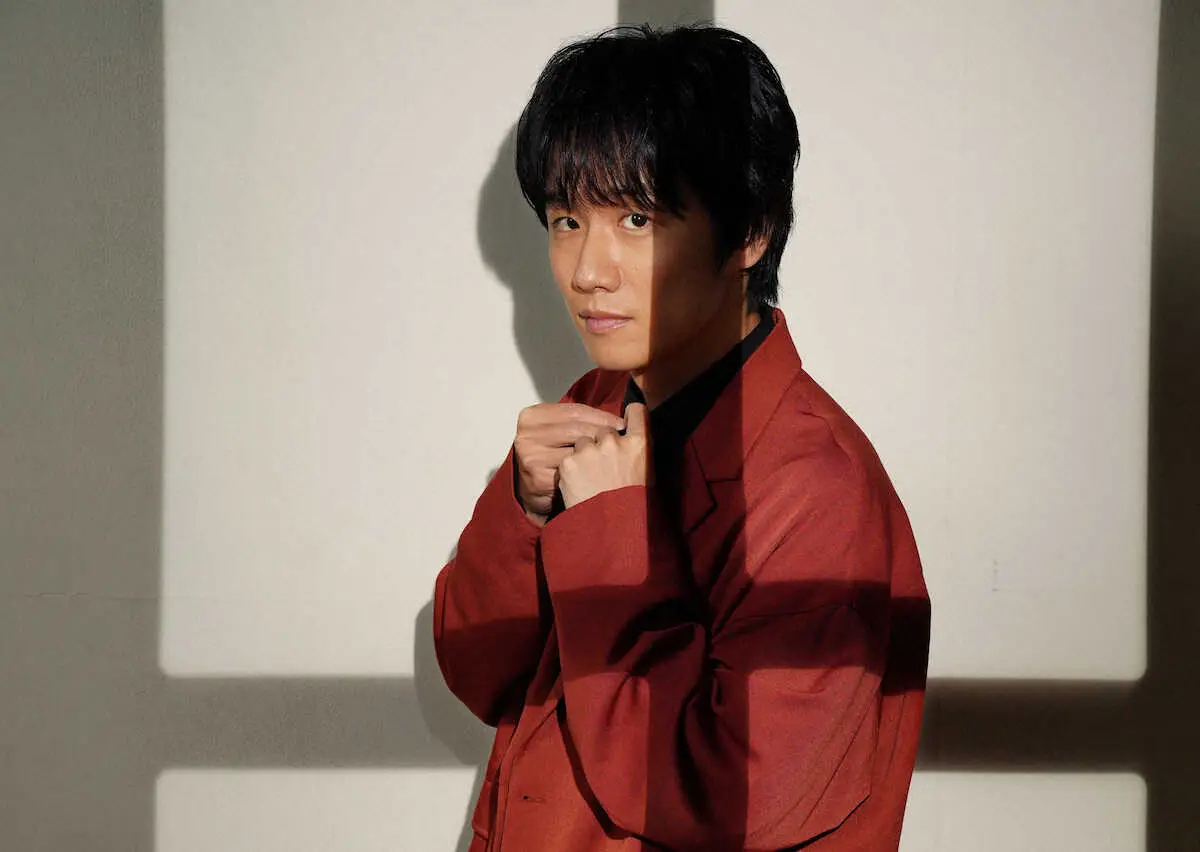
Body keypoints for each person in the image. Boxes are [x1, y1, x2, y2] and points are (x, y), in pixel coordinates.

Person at [433, 23, 930, 852]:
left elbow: (725, 801)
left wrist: (605, 536)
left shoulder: (818, 491)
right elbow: (477, 673)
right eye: (565, 220)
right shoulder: (597, 405)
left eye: (636, 218)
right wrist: (520, 513)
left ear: (750, 231)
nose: (587, 271)